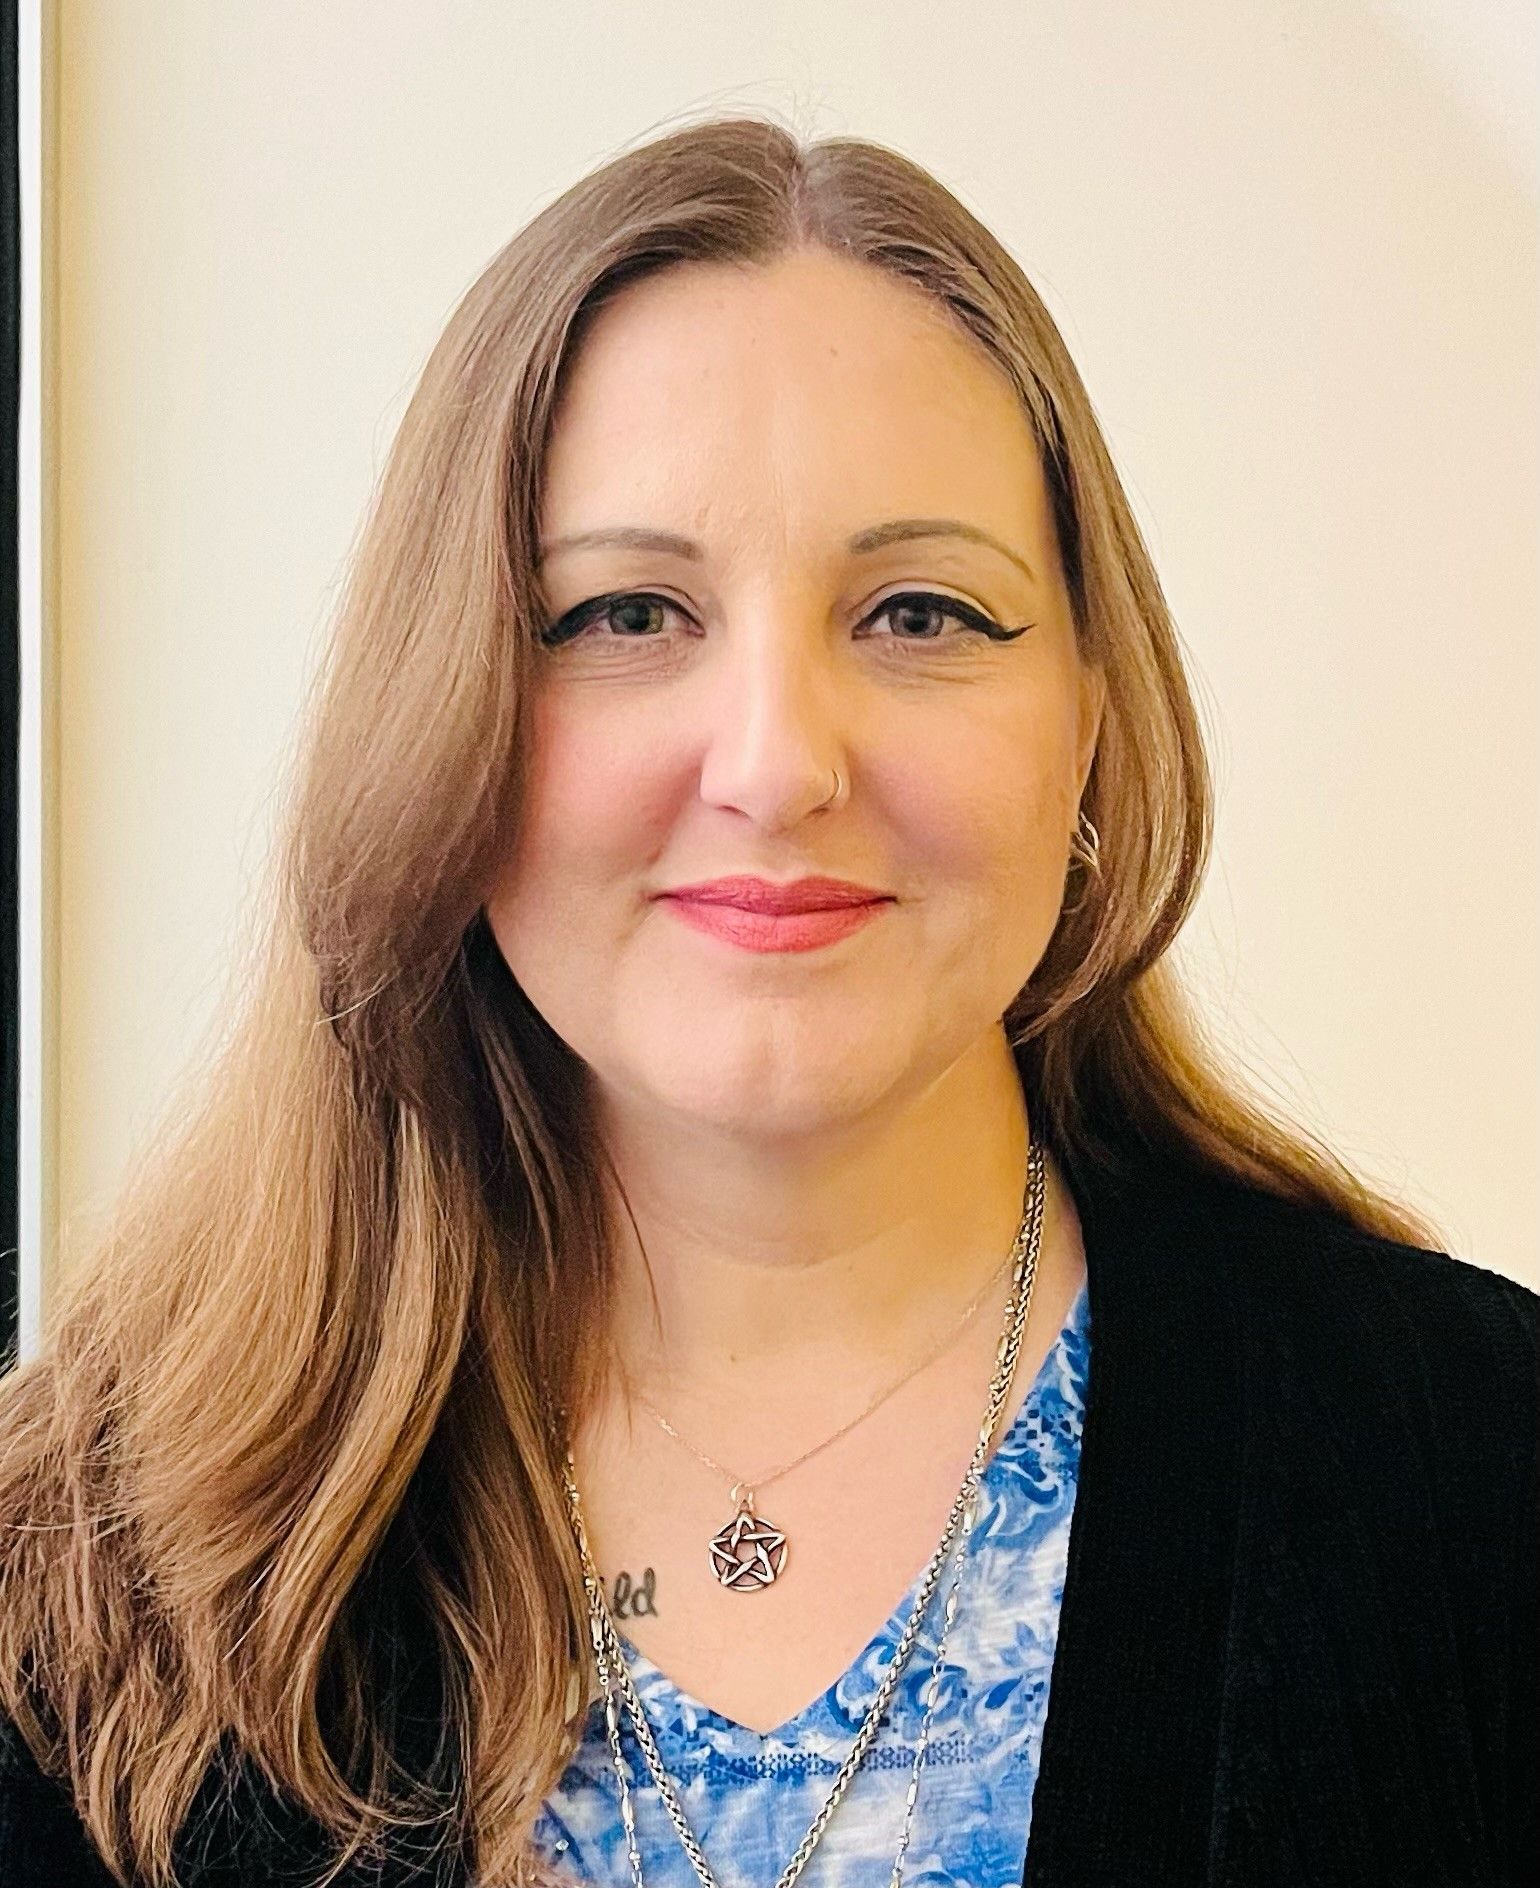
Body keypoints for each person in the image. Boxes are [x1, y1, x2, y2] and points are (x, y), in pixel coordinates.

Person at [0, 113, 1533, 1888]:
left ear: (1092, 720)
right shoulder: (79, 1577)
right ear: (444, 720)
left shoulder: (1476, 1481)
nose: (781, 760)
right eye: (627, 613)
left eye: (924, 613)